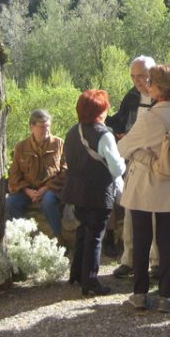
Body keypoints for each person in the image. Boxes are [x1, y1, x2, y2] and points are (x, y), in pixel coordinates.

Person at [118, 64, 170, 312]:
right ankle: (166, 296)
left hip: (146, 184)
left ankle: (139, 294)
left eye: (151, 81)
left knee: (141, 239)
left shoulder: (150, 118)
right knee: (166, 240)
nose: (147, 85)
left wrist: (143, 154)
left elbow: (123, 148)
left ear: (158, 88)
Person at [62, 90, 126, 297]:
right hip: (98, 192)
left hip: (76, 190)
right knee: (96, 235)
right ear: (101, 111)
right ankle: (90, 281)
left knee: (83, 231)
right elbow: (117, 169)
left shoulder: (72, 132)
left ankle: (77, 273)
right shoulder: (104, 134)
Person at [107, 55, 156, 278]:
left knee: (156, 215)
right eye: (134, 77)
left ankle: (156, 262)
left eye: (142, 76)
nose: (137, 81)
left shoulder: (162, 96)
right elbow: (119, 121)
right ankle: (129, 259)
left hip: (157, 164)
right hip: (133, 162)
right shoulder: (132, 96)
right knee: (130, 211)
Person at [6, 109, 67, 237]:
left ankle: (58, 238)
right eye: (42, 127)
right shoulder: (21, 147)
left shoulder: (58, 144)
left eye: (48, 126)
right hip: (28, 189)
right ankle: (26, 238)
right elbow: (14, 174)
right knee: (10, 203)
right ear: (32, 127)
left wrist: (45, 188)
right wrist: (27, 190)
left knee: (48, 202)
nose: (46, 130)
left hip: (50, 188)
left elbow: (64, 171)